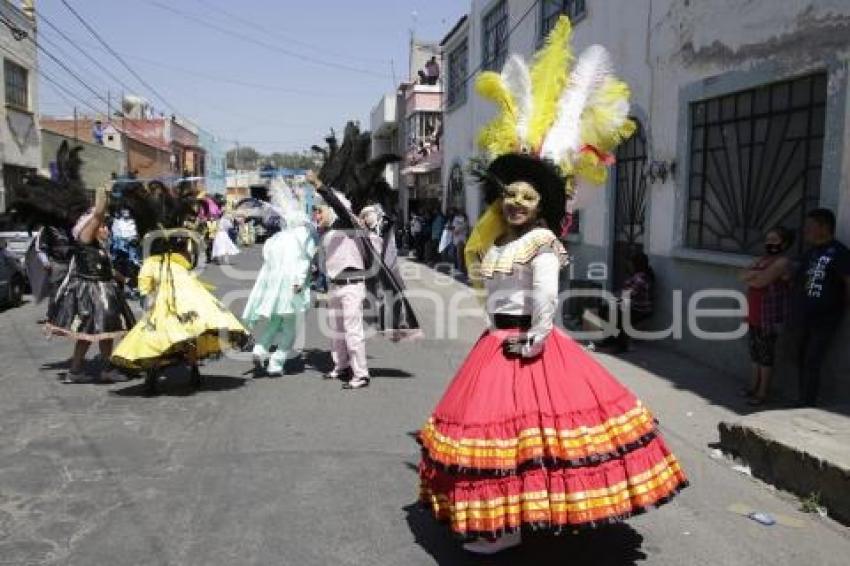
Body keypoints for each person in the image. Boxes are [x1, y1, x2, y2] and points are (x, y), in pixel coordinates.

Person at [418, 17, 686, 554]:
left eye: (528, 197)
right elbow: (490, 282)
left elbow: (545, 299)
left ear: (542, 205)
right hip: (497, 343)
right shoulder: (498, 240)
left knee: (522, 440)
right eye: (510, 195)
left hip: (526, 347)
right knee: (506, 443)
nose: (516, 203)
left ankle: (514, 527)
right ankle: (512, 521)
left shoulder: (540, 243)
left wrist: (535, 338)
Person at [111, 182, 250, 394]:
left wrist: (145, 299)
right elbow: (189, 264)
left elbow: (145, 288)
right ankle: (193, 371)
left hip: (164, 297)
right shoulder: (179, 258)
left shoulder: (150, 262)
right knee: (191, 330)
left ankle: (153, 377)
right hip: (187, 293)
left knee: (156, 333)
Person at [47, 189, 135, 383]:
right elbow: (98, 213)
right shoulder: (85, 239)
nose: (106, 229)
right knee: (93, 333)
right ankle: (93, 370)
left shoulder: (97, 246)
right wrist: (102, 191)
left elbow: (108, 270)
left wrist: (125, 280)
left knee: (99, 333)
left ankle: (84, 370)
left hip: (103, 290)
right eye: (103, 226)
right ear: (91, 227)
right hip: (92, 292)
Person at [307, 172, 372, 390]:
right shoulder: (326, 233)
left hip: (352, 285)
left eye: (319, 210)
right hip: (335, 286)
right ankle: (341, 366)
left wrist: (318, 185)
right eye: (315, 212)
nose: (317, 215)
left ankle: (361, 374)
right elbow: (321, 262)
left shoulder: (347, 222)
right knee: (336, 331)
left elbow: (337, 205)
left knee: (353, 331)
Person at [243, 203, 318, 377]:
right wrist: (300, 281)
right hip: (293, 287)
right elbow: (304, 262)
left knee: (274, 322)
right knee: (290, 328)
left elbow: (267, 259)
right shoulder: (303, 237)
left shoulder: (277, 238)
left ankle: (260, 349)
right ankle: (276, 363)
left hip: (274, 288)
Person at [791, 208, 850, 407]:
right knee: (800, 358)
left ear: (824, 227)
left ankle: (807, 405)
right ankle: (802, 399)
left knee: (812, 360)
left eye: (810, 226)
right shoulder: (809, 253)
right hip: (803, 316)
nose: (806, 230)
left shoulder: (839, 252)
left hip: (825, 318)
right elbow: (797, 280)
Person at [740, 227, 794, 406]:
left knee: (765, 355)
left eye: (774, 239)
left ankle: (762, 393)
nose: (770, 243)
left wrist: (755, 276)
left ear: (784, 243)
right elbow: (741, 275)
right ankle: (753, 386)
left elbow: (761, 281)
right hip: (754, 313)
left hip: (768, 316)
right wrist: (756, 276)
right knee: (755, 353)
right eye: (768, 239)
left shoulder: (782, 262)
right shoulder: (762, 259)